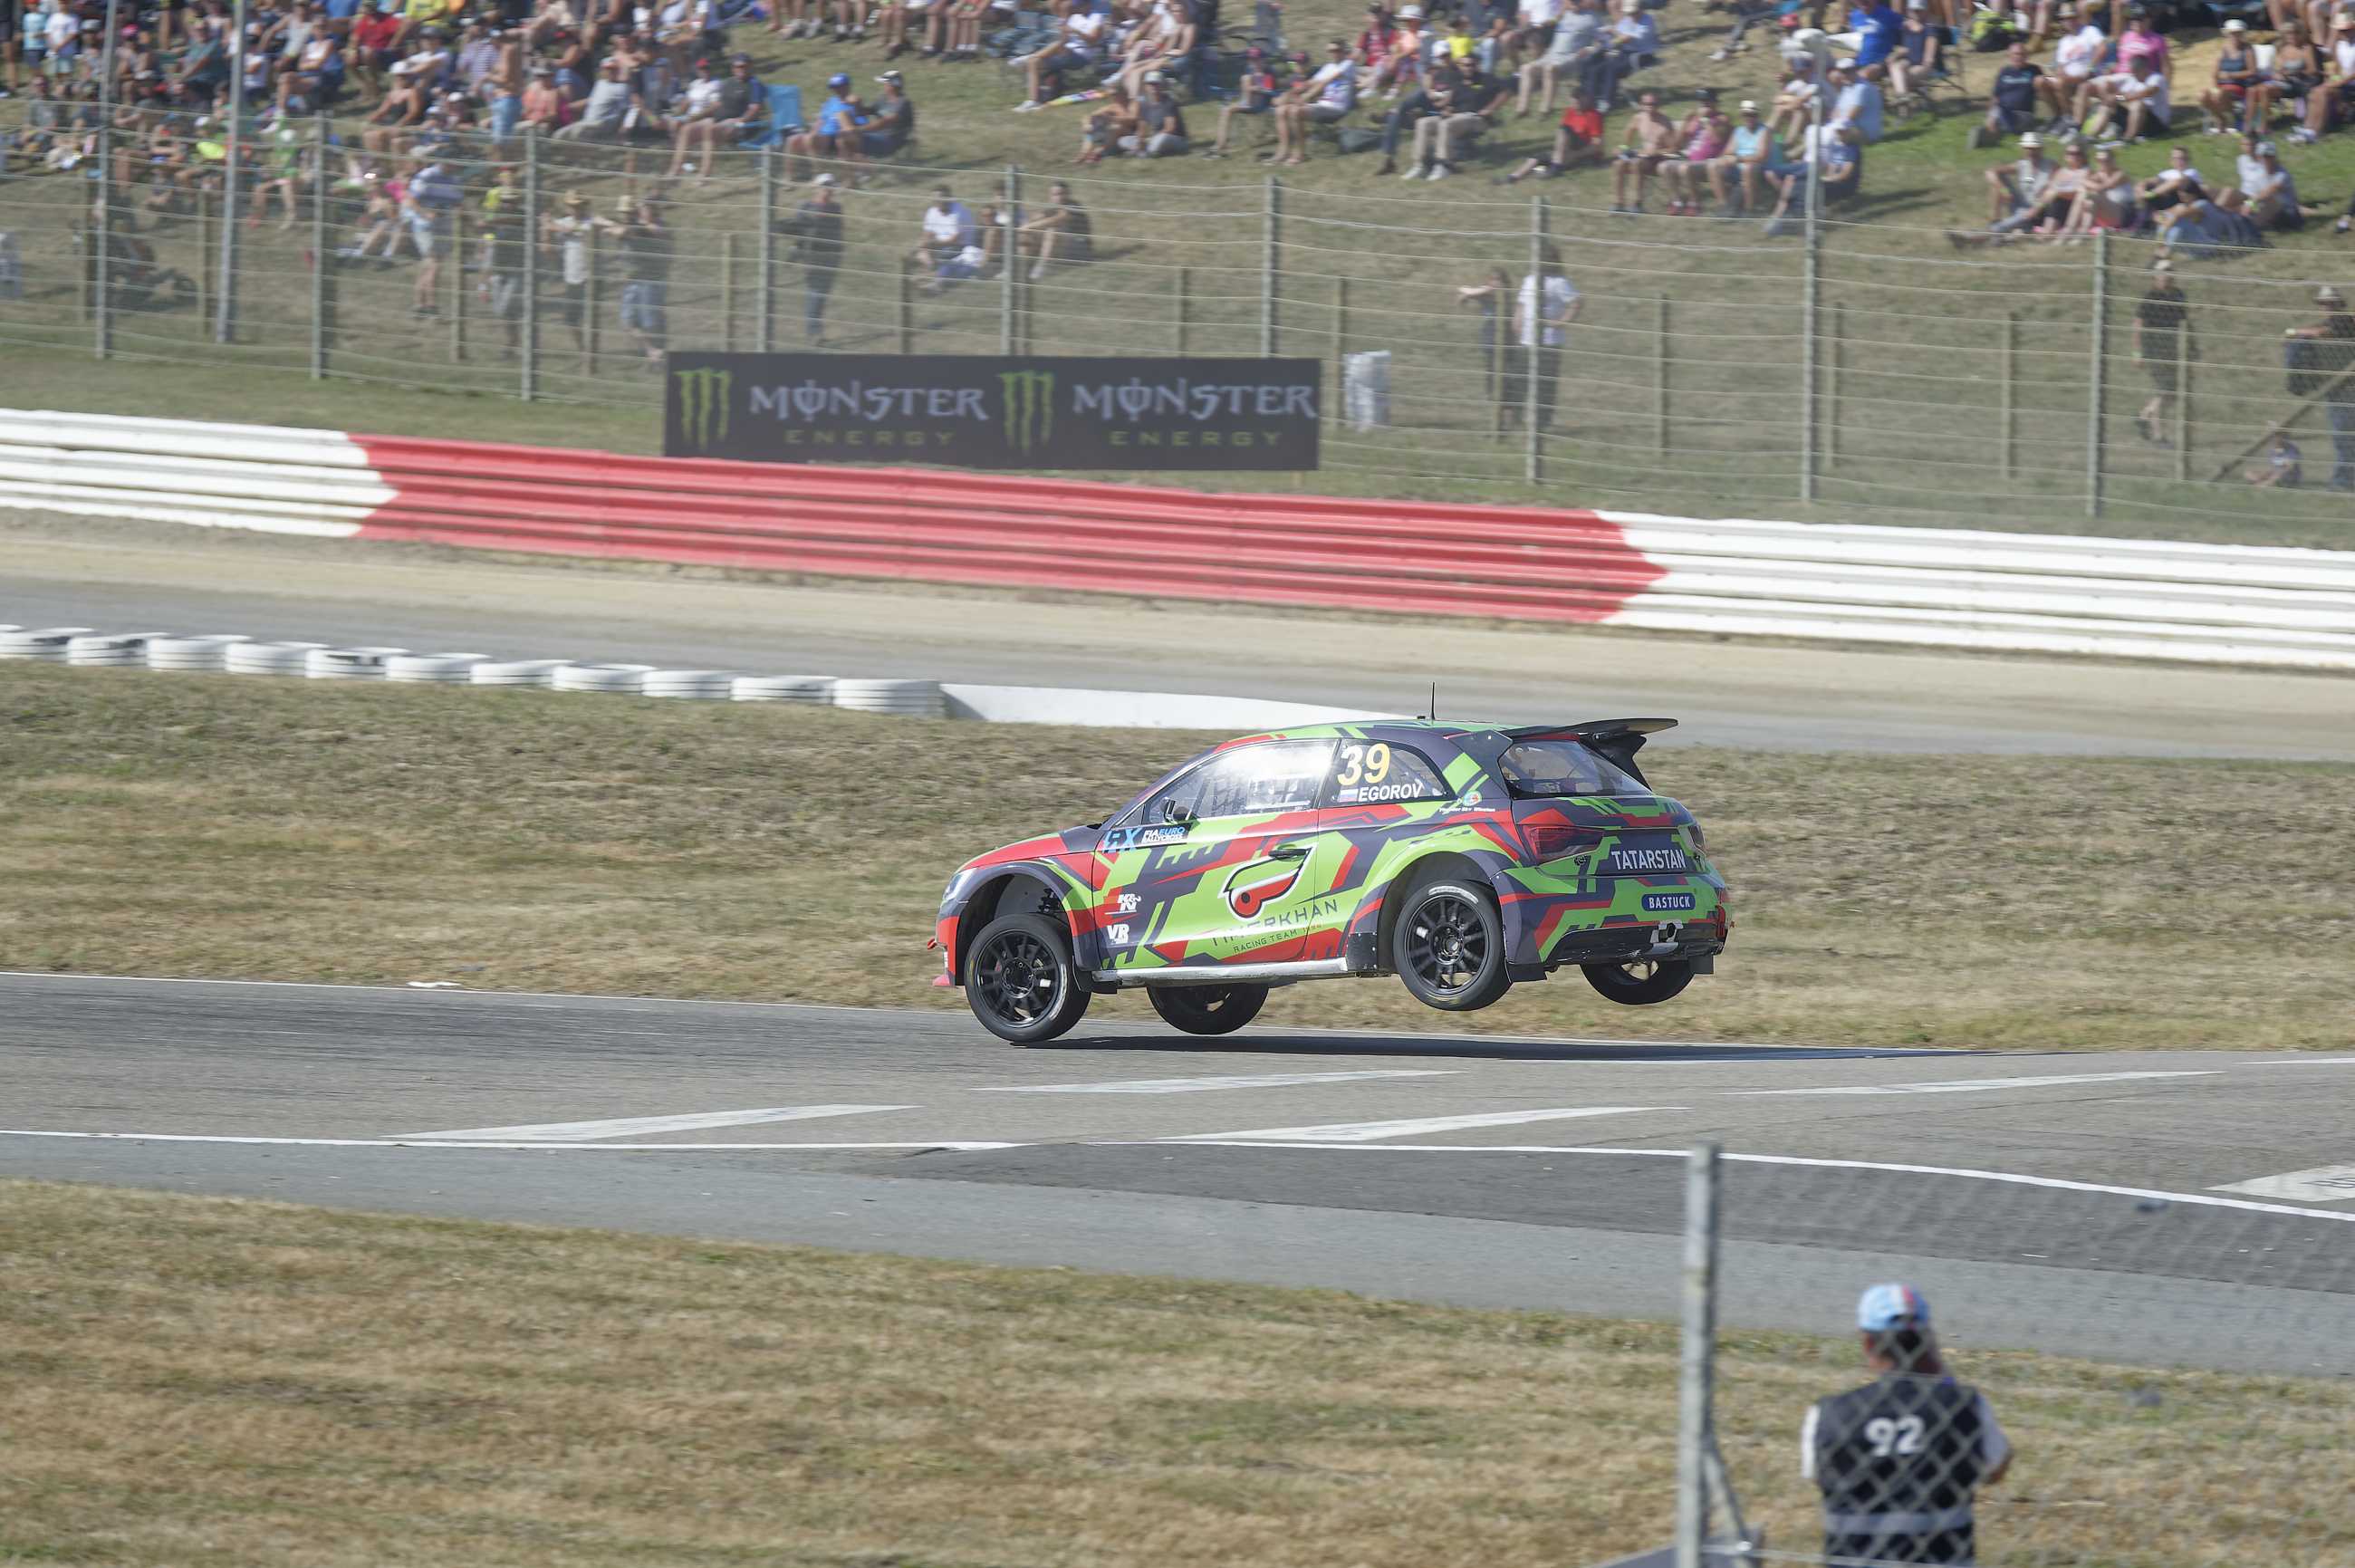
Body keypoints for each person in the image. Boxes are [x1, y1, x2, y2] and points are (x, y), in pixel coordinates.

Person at [1803, 1285, 2012, 1568]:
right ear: (1928, 1340)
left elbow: (1817, 1476)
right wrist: (1943, 1380)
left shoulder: (1827, 1415)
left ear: (1867, 1342)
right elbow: (1995, 1469)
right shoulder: (1965, 1407)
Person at [2285, 284, 2355, 488]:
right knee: (2343, 435)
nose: (2326, 306)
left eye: (2329, 302)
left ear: (2337, 304)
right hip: (2337, 384)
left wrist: (2293, 332)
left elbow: (2322, 332)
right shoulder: (2338, 320)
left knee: (2343, 436)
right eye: (2323, 303)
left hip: (2346, 386)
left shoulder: (2342, 320)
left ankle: (2343, 482)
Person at [1509, 243, 1578, 431]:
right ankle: (1517, 418)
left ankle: (1543, 423)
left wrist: (1560, 323)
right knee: (1519, 379)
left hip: (1549, 341)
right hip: (1526, 339)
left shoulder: (1560, 282)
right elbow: (1521, 304)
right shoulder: (1530, 280)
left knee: (1545, 383)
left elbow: (1576, 303)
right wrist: (1516, 322)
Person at [1405, 51, 1504, 178]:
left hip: (1477, 118)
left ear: (1476, 65)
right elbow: (1447, 102)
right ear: (1459, 66)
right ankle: (1420, 165)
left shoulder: (1486, 78)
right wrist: (1445, 108)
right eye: (1464, 65)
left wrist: (1491, 108)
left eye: (1471, 65)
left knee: (1446, 124)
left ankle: (1444, 165)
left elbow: (1505, 92)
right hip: (1456, 116)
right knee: (1423, 122)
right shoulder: (1457, 82)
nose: (1468, 68)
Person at [778, 169, 844, 344]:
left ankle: (814, 329)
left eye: (830, 187)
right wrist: (793, 254)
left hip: (831, 255)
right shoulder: (805, 206)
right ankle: (815, 333)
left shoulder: (836, 209)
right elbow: (799, 232)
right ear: (816, 188)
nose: (827, 190)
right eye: (824, 186)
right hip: (813, 255)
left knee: (821, 295)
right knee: (815, 293)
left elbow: (834, 232)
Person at [1270, 37, 1355, 165]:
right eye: (1330, 51)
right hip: (1322, 105)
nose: (1332, 53)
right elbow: (1309, 83)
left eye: (1336, 50)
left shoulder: (1348, 64)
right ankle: (1283, 151)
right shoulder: (1328, 66)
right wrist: (1286, 95)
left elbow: (1327, 81)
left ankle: (1300, 153)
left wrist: (1306, 97)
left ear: (1343, 51)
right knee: (1281, 110)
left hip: (1336, 107)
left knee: (1295, 111)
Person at [1499, 86, 1604, 181]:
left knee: (1564, 130)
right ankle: (1513, 177)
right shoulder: (1570, 112)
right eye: (1574, 101)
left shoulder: (1593, 115)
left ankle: (1556, 167)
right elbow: (1562, 139)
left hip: (1581, 151)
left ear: (1586, 99)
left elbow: (1596, 145)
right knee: (1535, 160)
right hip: (1565, 151)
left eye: (1578, 101)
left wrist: (1576, 154)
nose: (1576, 104)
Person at [1202, 44, 1279, 156]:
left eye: (1257, 60)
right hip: (1248, 101)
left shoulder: (1268, 72)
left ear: (1263, 59)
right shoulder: (1250, 71)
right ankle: (1220, 144)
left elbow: (1268, 91)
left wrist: (1254, 88)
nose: (1254, 63)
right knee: (1226, 110)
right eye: (1251, 60)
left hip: (1260, 104)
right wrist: (1251, 88)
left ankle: (1220, 145)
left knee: (1245, 80)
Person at [1608, 88, 1675, 216]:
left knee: (1636, 164)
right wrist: (1621, 149)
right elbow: (1625, 142)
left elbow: (1673, 149)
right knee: (1618, 164)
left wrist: (1656, 151)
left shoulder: (1664, 122)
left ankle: (1636, 203)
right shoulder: (1638, 118)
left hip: (1658, 159)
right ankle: (1618, 203)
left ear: (1658, 105)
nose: (1650, 107)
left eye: (1653, 104)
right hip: (1641, 155)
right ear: (1642, 105)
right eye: (1647, 104)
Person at [1967, 39, 2040, 148]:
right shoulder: (2004, 71)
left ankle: (1991, 133)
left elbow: (2043, 85)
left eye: (2021, 54)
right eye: (2015, 54)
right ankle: (1990, 133)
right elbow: (1995, 96)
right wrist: (1989, 115)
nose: (2018, 57)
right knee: (1998, 112)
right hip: (2004, 113)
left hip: (2023, 115)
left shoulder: (2033, 70)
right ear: (2010, 56)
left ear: (2026, 56)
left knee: (2001, 114)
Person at [1019, 177, 1091, 278]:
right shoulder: (1051, 208)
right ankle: (1020, 267)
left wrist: (1028, 226)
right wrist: (1026, 226)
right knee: (1028, 234)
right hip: (1064, 248)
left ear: (1068, 194)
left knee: (1053, 231)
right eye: (1055, 194)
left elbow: (1058, 219)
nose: (1059, 197)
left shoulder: (1073, 206)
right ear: (1050, 196)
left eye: (1062, 194)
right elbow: (1036, 218)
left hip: (1080, 251)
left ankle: (1043, 268)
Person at [915, 182, 979, 290]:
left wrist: (933, 244)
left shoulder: (959, 213)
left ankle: (928, 278)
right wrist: (925, 245)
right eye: (935, 199)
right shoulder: (932, 211)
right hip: (941, 244)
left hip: (960, 246)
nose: (937, 202)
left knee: (939, 256)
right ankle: (930, 273)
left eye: (940, 199)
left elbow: (956, 239)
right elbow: (928, 233)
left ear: (949, 198)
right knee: (920, 252)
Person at [1120, 69, 1189, 155]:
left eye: (1157, 84)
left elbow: (1170, 128)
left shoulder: (1169, 102)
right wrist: (1141, 139)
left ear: (1162, 86)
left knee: (1160, 140)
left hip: (1175, 138)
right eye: (1151, 84)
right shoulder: (1144, 104)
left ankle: (1142, 151)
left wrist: (1150, 140)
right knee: (1123, 140)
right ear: (1146, 86)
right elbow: (1142, 127)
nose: (1154, 86)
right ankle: (1141, 149)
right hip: (1155, 138)